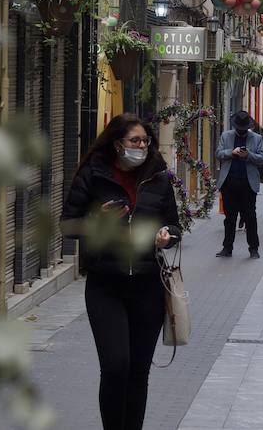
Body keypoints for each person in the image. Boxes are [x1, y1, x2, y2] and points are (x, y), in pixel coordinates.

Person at [61, 115, 181, 430]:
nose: (142, 146)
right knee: (115, 366)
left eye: (145, 141)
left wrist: (166, 235)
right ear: (118, 144)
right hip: (105, 285)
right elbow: (67, 225)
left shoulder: (158, 177)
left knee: (138, 372)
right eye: (135, 141)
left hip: (148, 285)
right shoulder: (94, 174)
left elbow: (174, 225)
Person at [216, 110, 263, 258]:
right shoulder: (226, 136)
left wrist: (248, 154)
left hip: (248, 184)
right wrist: (232, 152)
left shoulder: (257, 138)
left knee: (250, 217)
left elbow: (262, 159)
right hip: (229, 182)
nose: (241, 131)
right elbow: (219, 153)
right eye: (239, 128)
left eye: (244, 129)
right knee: (229, 218)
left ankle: (254, 248)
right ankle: (227, 248)